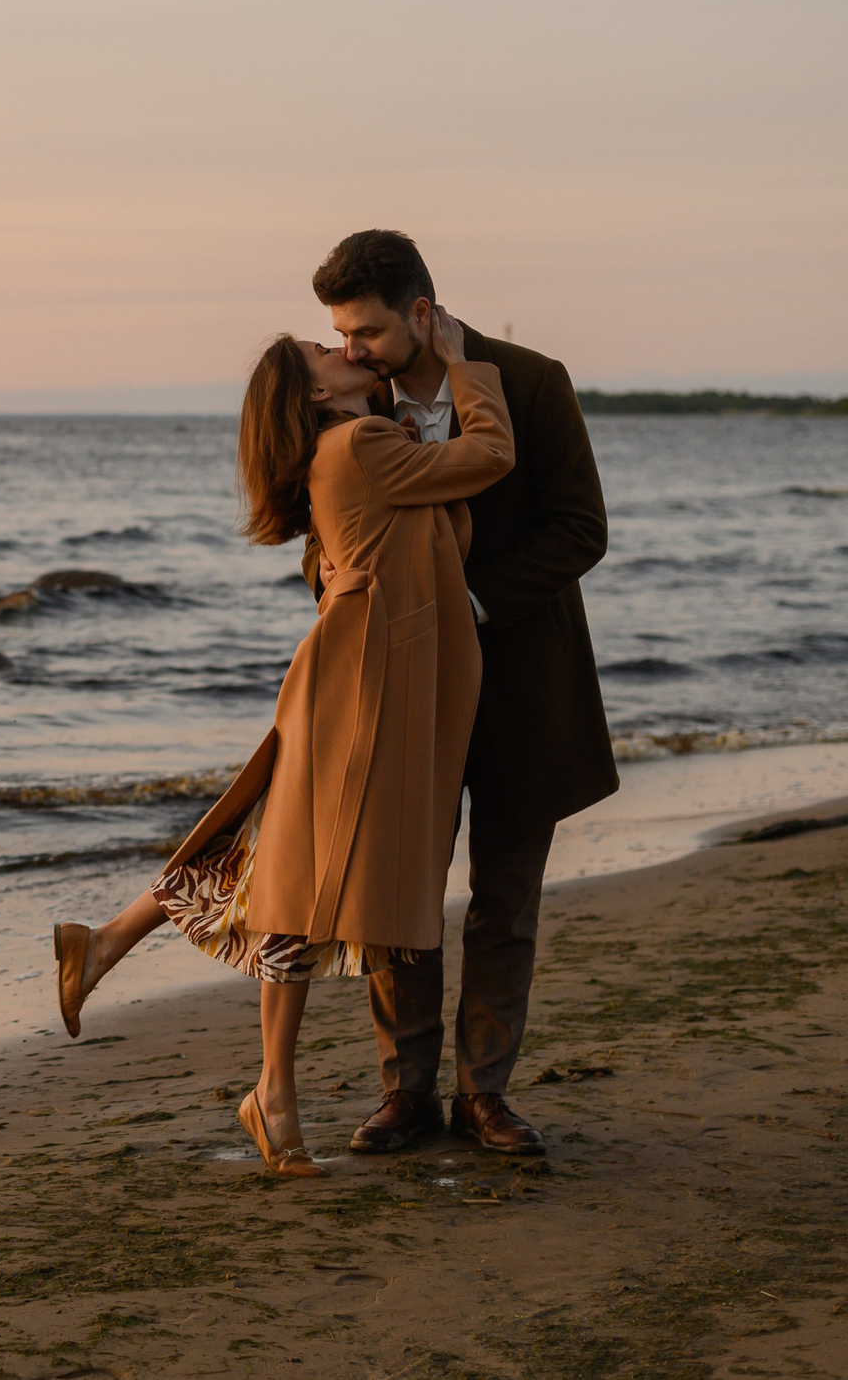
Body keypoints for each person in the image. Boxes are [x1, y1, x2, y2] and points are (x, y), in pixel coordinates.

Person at [54, 305, 513, 1176]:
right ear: (311, 389)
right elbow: (489, 457)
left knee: (276, 864)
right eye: (320, 349)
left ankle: (111, 944)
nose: (338, 349)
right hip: (355, 687)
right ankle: (268, 1091)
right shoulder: (353, 449)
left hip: (362, 678)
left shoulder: (356, 447)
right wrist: (461, 366)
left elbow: (442, 531)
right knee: (292, 879)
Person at [310, 229, 618, 1158]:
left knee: (505, 901)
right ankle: (404, 1094)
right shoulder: (343, 402)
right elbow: (329, 530)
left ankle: (484, 1094)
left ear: (419, 312)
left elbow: (581, 528)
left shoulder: (528, 378)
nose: (349, 348)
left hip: (523, 680)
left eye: (363, 331)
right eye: (338, 333)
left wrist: (467, 605)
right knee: (396, 895)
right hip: (398, 686)